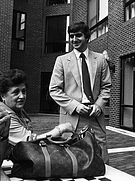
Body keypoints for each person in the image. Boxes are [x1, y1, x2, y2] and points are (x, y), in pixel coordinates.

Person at [49, 21, 112, 163]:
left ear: (87, 37)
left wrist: (99, 105)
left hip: (95, 115)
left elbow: (106, 86)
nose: (74, 39)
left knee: (101, 156)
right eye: (71, 36)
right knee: (71, 155)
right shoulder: (62, 61)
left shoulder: (100, 60)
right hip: (73, 115)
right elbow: (54, 89)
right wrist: (76, 106)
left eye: (78, 35)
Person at [0, 69, 73, 146]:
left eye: (24, 91)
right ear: (3, 96)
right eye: (16, 92)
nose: (22, 96)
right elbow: (31, 142)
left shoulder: (16, 110)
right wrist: (61, 129)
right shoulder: (4, 116)